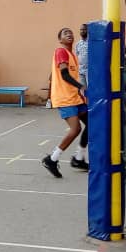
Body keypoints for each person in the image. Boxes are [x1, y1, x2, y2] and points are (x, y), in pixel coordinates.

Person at [42, 28, 89, 178]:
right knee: (75, 129)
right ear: (60, 40)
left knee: (92, 124)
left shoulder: (73, 55)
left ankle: (79, 158)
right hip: (64, 98)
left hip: (75, 97)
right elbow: (64, 74)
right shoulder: (60, 51)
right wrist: (80, 86)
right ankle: (52, 159)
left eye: (70, 32)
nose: (69, 34)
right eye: (65, 33)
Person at [75, 23, 89, 88]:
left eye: (84, 29)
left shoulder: (91, 43)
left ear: (88, 31)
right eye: (81, 30)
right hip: (81, 71)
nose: (82, 31)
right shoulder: (78, 44)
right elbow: (77, 56)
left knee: (90, 88)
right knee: (83, 90)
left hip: (89, 71)